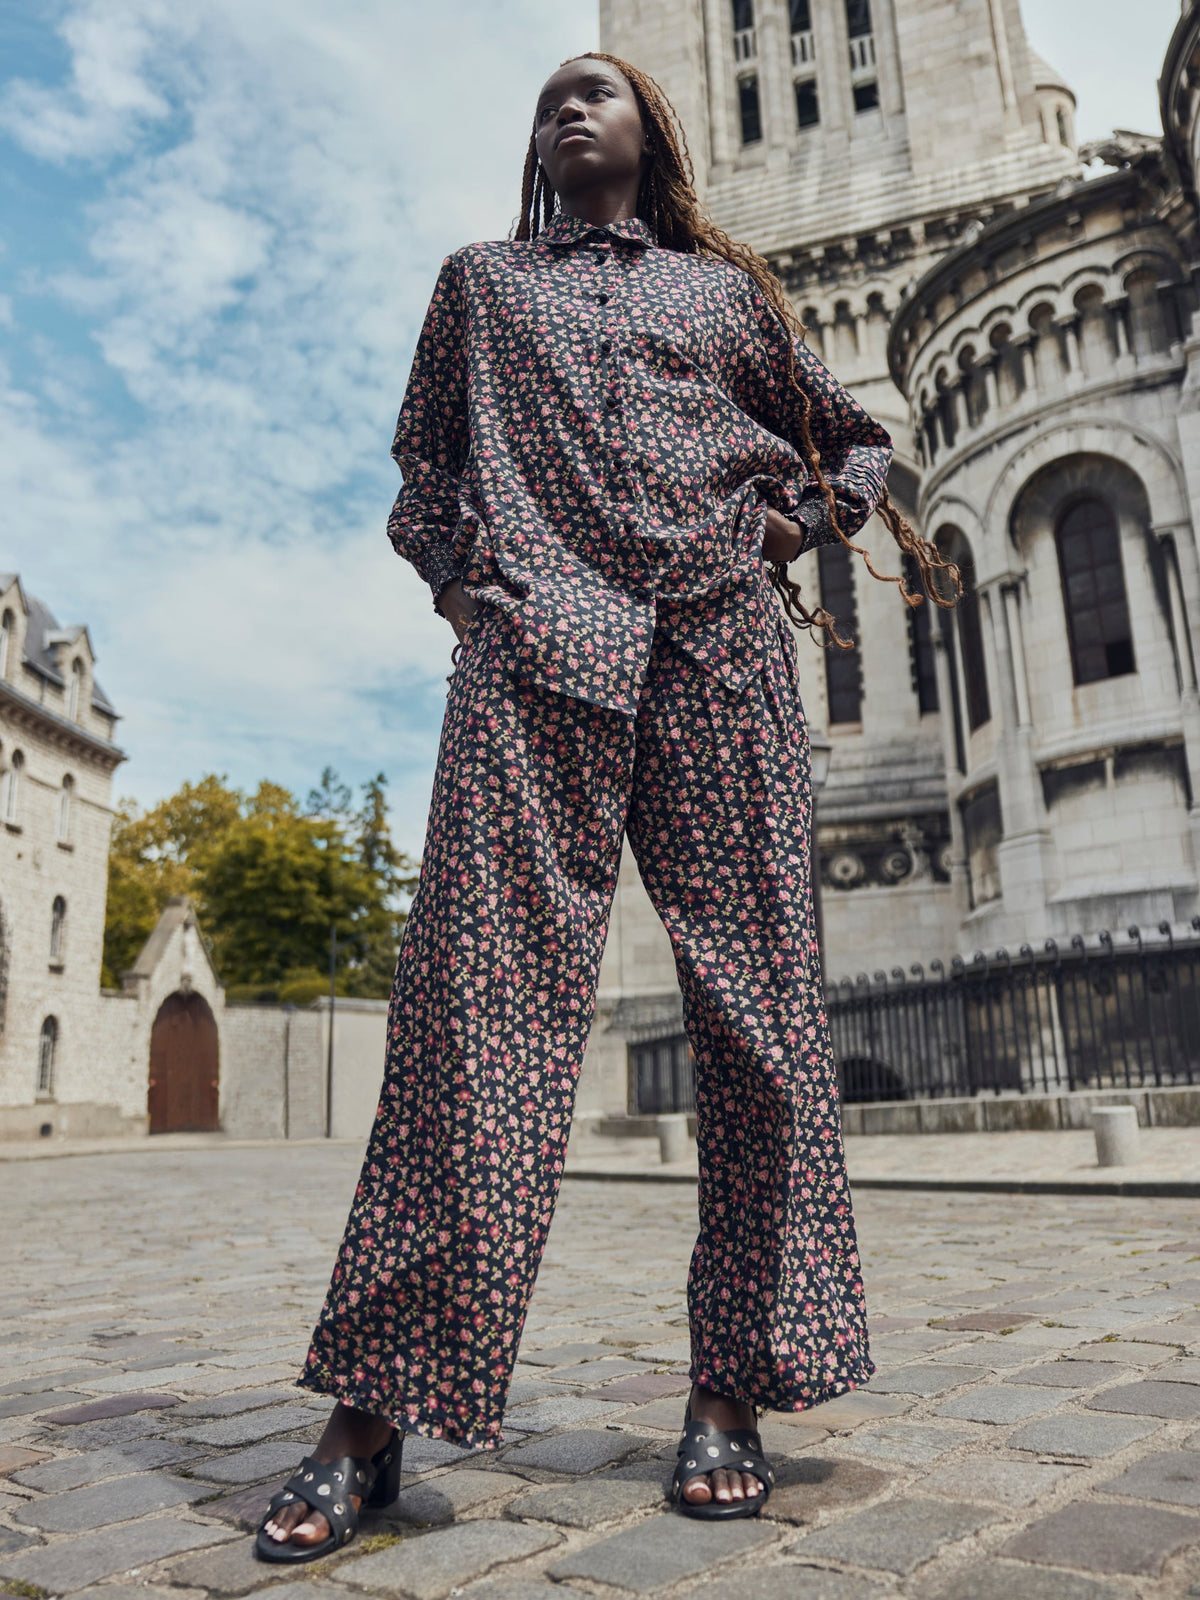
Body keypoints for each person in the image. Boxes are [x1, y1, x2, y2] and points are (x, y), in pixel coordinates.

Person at [256, 50, 957, 1562]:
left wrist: (797, 517)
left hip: (719, 650)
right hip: (536, 660)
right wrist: (466, 590)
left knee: (760, 1022)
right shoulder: (481, 287)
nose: (569, 107)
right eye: (550, 99)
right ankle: (369, 1417)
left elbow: (858, 441)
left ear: (652, 129)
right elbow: (421, 472)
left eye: (601, 91)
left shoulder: (723, 297)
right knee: (471, 1021)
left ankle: (732, 1394)